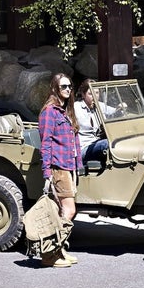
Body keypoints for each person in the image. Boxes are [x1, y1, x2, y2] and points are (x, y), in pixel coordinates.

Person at [38, 73, 79, 268]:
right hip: (58, 167)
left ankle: (60, 251)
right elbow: (45, 143)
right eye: (64, 87)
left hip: (68, 167)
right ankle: (50, 255)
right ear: (55, 88)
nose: (68, 90)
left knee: (62, 211)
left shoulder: (65, 111)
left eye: (70, 86)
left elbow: (72, 141)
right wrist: (47, 173)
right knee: (69, 211)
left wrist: (78, 166)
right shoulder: (50, 112)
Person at [74, 80, 109, 166]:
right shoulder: (76, 107)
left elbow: (115, 113)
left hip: (97, 144)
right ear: (83, 94)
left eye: (96, 93)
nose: (94, 96)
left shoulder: (100, 106)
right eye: (90, 93)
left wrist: (122, 107)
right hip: (84, 148)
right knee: (107, 144)